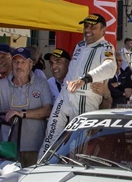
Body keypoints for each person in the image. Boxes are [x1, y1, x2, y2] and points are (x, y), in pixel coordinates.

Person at [41, 14, 117, 154]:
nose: (88, 30)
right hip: (66, 93)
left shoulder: (106, 46)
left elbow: (110, 67)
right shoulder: (80, 45)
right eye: (86, 26)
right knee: (51, 134)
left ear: (103, 30)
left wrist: (85, 79)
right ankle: (43, 167)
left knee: (79, 143)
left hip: (84, 96)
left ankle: (74, 171)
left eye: (93, 27)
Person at [0, 47, 52, 167]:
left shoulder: (41, 83)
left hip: (35, 148)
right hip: (7, 149)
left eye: (23, 62)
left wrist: (21, 114)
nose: (19, 66)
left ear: (31, 64)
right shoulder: (1, 85)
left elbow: (48, 111)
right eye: (16, 62)